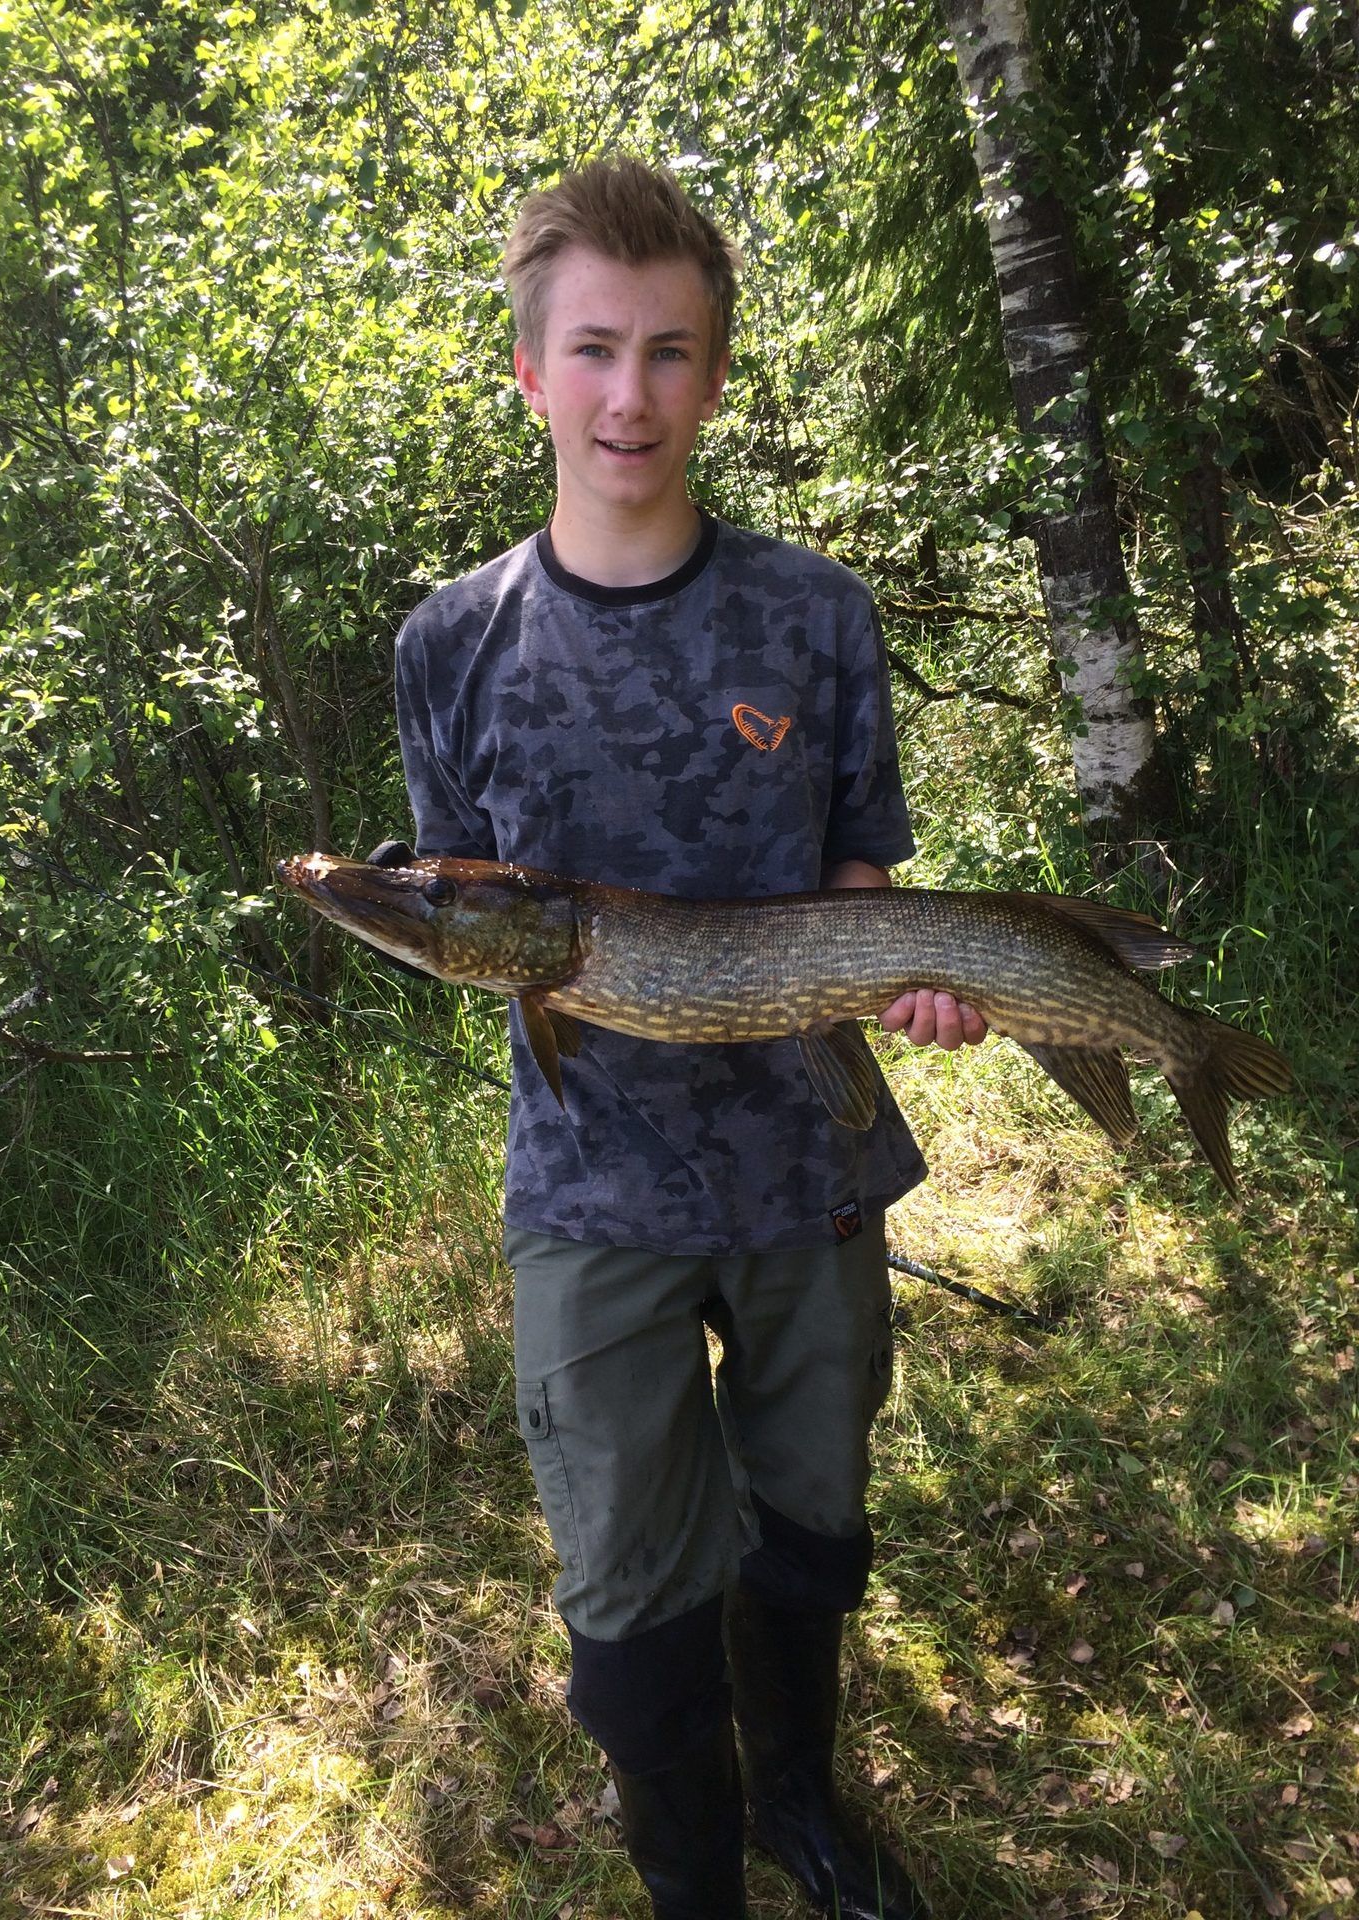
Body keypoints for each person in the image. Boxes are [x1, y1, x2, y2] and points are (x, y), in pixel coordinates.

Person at [393, 157, 986, 1920]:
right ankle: (695, 1880)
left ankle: (801, 1800)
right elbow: (469, 911)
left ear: (716, 376)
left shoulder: (816, 615)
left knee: (809, 1521)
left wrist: (902, 965)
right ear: (530, 371)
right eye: (592, 349)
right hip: (591, 1190)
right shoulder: (451, 643)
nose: (629, 394)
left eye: (668, 351)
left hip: (809, 1161)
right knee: (630, 1589)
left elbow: (861, 859)